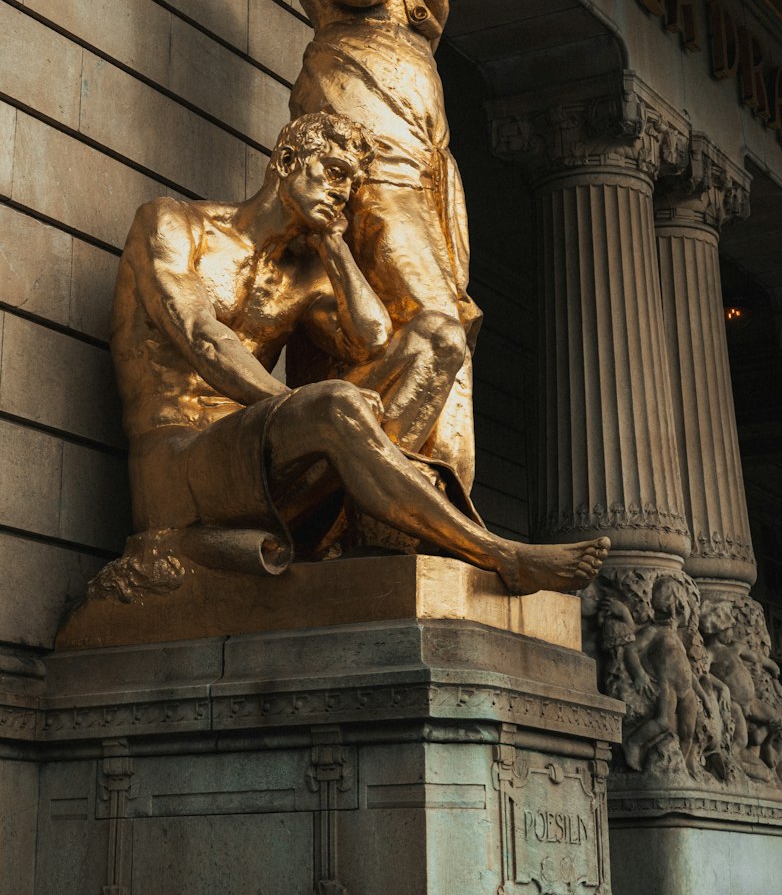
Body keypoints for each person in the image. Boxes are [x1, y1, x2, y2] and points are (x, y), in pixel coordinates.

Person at [109, 111, 609, 594]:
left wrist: (334, 245)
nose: (342, 191)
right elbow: (201, 334)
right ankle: (499, 554)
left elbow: (371, 339)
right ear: (285, 161)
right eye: (333, 172)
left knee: (439, 336)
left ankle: (370, 540)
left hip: (257, 456)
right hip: (175, 460)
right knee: (332, 405)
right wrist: (295, 406)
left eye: (350, 184)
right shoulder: (173, 223)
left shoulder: (302, 275)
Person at [274, 0, 479, 505]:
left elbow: (418, 17)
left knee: (442, 312)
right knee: (429, 320)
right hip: (356, 97)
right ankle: (345, 497)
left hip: (421, 120)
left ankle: (432, 494)